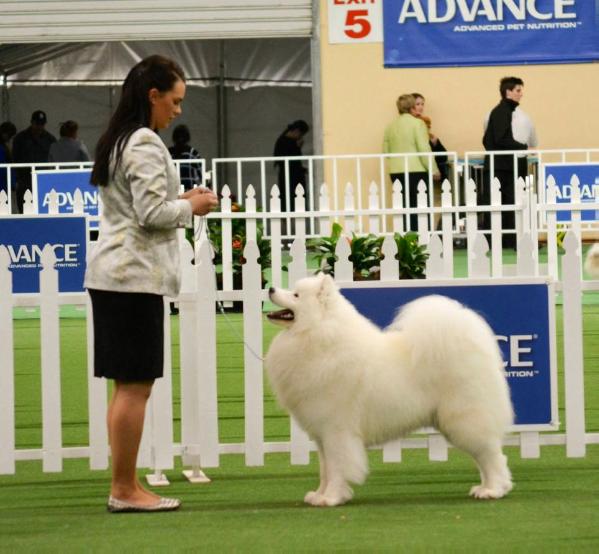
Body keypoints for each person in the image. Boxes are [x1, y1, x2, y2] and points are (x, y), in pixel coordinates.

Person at [84, 55, 219, 513]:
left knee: (128, 386)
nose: (178, 111)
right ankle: (124, 489)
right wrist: (191, 208)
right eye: (175, 101)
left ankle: (125, 484)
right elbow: (148, 214)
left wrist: (179, 199)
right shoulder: (142, 141)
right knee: (134, 387)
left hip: (119, 277)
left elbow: (141, 205)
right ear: (153, 96)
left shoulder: (121, 137)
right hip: (131, 278)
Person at [482, 76, 529, 248]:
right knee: (502, 204)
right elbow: (501, 139)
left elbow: (488, 140)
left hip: (500, 165)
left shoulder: (501, 111)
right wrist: (522, 147)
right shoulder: (502, 111)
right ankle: (501, 241)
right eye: (518, 90)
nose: (521, 94)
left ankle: (507, 241)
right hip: (501, 167)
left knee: (503, 204)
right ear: (508, 92)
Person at [383, 94, 440, 231]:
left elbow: (386, 151)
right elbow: (423, 149)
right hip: (416, 171)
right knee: (419, 209)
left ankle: (405, 241)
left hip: (396, 172)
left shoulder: (390, 126)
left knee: (403, 208)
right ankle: (420, 241)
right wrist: (433, 169)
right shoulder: (418, 124)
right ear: (412, 107)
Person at [11, 110, 57, 213]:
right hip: (25, 180)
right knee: (24, 210)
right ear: (32, 122)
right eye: (37, 124)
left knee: (44, 210)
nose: (39, 127)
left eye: (42, 124)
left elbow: (54, 160)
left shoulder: (50, 139)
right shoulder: (20, 138)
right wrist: (17, 179)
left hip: (44, 179)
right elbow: (14, 158)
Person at [273, 119, 310, 211]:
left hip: (289, 176)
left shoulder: (282, 140)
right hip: (291, 177)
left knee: (290, 202)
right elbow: (292, 160)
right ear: (297, 131)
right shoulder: (287, 142)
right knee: (292, 202)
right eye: (301, 135)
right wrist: (297, 147)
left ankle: (289, 223)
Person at [168, 124, 202, 190]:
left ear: (174, 138)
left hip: (173, 192)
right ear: (187, 138)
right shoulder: (192, 152)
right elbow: (201, 172)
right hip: (190, 191)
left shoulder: (168, 152)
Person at [0, 121, 17, 195]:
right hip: (3, 183)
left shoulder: (5, 147)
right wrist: (13, 182)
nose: (9, 139)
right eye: (9, 135)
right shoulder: (3, 148)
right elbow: (5, 167)